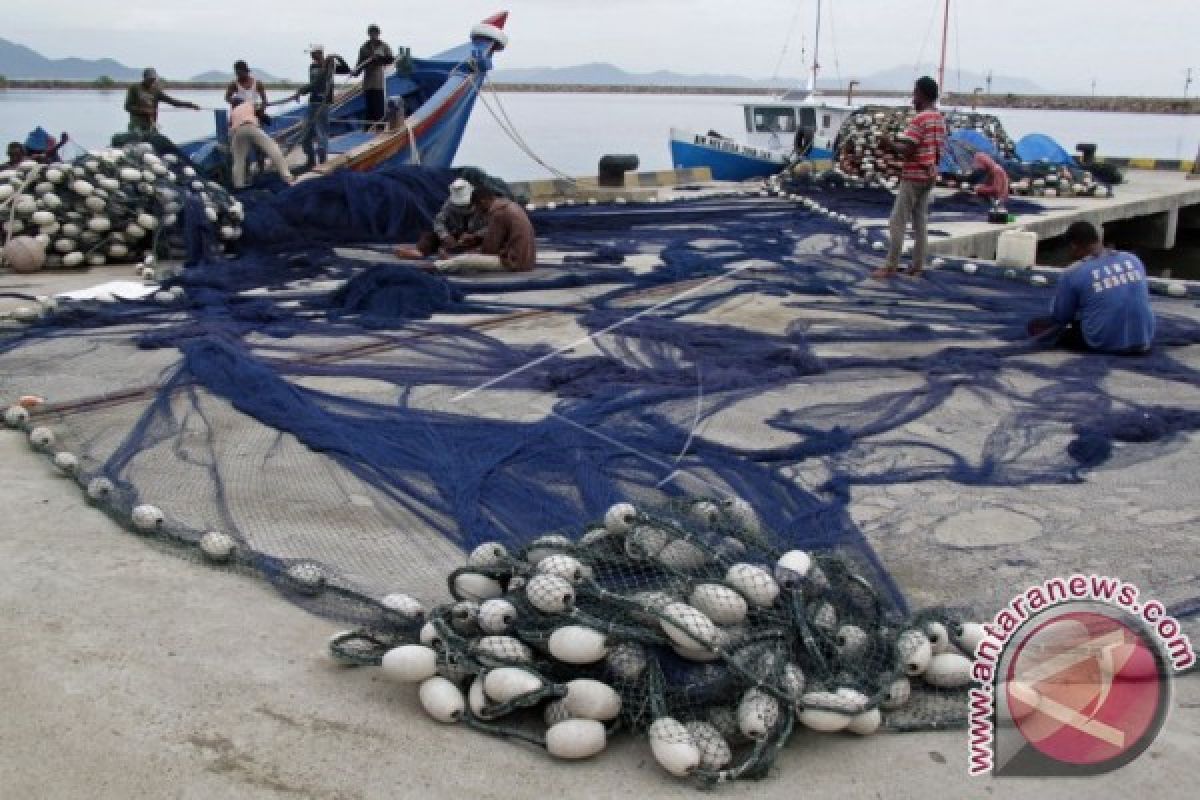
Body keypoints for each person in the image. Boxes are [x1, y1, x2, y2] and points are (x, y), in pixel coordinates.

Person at [1027, 221, 1155, 355]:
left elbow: (1061, 317)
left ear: (1073, 246)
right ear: (1098, 239)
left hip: (1104, 342)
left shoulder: (1073, 272)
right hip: (1144, 338)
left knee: (1039, 326)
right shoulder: (1133, 259)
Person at [872, 76, 947, 280]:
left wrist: (889, 143)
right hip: (930, 174)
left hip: (913, 175)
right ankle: (917, 265)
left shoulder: (920, 119)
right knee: (920, 221)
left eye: (915, 93)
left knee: (897, 221)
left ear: (922, 94)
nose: (913, 99)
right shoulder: (939, 118)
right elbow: (937, 147)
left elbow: (908, 149)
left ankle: (890, 266)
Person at [289, 45, 352, 169]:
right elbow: (315, 83)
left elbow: (346, 69)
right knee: (305, 134)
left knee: (321, 133)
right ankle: (310, 160)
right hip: (312, 102)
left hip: (323, 104)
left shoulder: (331, 66)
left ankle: (323, 162)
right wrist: (302, 91)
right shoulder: (312, 66)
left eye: (313, 53)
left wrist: (338, 57)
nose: (311, 56)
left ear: (320, 53)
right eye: (311, 54)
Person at [394, 178, 487, 259]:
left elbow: (490, 227)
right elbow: (439, 222)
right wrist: (445, 236)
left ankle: (459, 255)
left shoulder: (482, 204)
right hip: (456, 235)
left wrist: (475, 235)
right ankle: (421, 251)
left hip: (475, 237)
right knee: (430, 236)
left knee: (483, 242)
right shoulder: (449, 204)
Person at [228, 97, 293, 189]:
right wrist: (266, 119)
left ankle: (238, 185)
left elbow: (231, 129)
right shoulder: (248, 104)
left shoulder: (233, 112)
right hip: (251, 127)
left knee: (238, 160)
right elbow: (264, 118)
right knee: (273, 149)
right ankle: (287, 177)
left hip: (238, 132)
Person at [124, 68, 201, 134]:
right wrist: (144, 111)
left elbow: (174, 102)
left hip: (151, 125)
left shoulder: (156, 91)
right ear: (144, 78)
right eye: (150, 79)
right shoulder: (135, 88)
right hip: (136, 126)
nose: (152, 81)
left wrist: (191, 105)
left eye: (153, 79)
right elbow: (127, 107)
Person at [353, 24, 395, 129]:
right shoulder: (363, 48)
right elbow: (359, 65)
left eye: (375, 32)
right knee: (369, 108)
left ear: (378, 34)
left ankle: (380, 129)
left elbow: (390, 59)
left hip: (378, 83)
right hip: (368, 83)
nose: (373, 35)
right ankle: (368, 130)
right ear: (369, 34)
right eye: (371, 32)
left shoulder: (384, 46)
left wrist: (380, 59)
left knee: (379, 108)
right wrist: (355, 72)